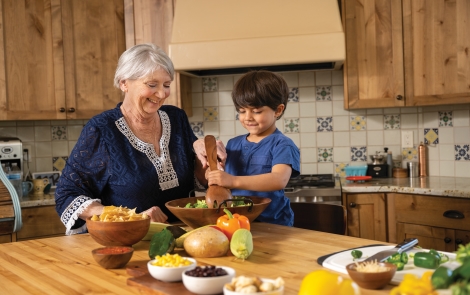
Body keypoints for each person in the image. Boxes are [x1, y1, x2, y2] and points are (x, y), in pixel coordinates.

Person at [55, 43, 225, 235]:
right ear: (124, 83)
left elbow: (195, 178)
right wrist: (130, 216)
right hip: (125, 239)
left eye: (167, 85)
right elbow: (67, 195)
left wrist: (209, 162)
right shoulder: (102, 129)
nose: (161, 94)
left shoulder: (177, 118)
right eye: (152, 85)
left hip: (181, 236)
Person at [206, 70, 300, 226]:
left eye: (256, 111)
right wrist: (214, 174)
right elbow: (224, 180)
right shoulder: (233, 144)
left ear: (278, 110)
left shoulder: (283, 144)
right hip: (235, 221)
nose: (248, 117)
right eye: (242, 111)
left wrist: (232, 180)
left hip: (273, 224)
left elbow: (279, 179)